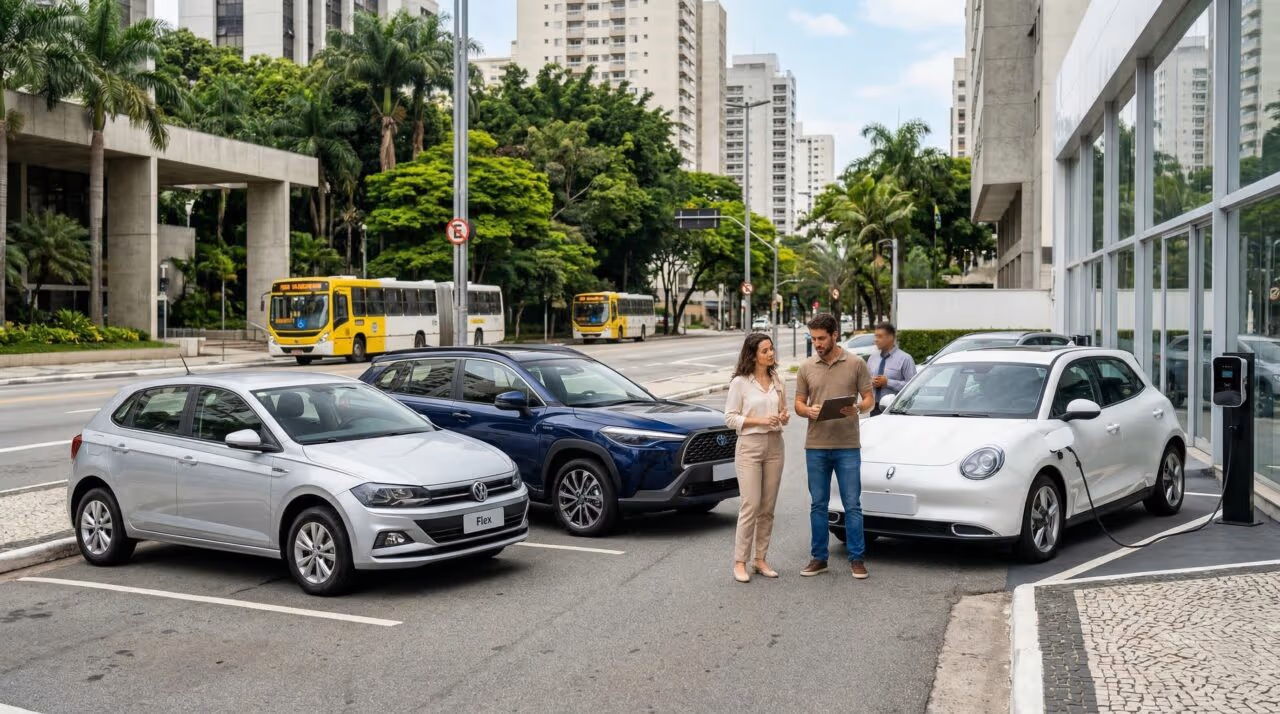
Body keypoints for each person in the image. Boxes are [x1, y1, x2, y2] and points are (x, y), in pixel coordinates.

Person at [794, 313, 874, 580]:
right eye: (813, 338)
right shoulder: (806, 367)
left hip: (848, 445)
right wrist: (808, 411)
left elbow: (869, 399)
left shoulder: (855, 363)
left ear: (834, 335)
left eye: (821, 338)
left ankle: (857, 559)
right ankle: (819, 558)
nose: (816, 343)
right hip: (815, 445)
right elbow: (798, 404)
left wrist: (858, 408)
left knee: (852, 504)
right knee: (818, 504)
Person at [724, 333, 790, 583]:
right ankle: (740, 561)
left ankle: (760, 559)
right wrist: (759, 420)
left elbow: (783, 411)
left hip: (775, 445)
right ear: (752, 355)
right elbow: (730, 418)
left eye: (771, 349)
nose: (771, 354)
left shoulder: (778, 379)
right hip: (750, 446)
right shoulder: (740, 383)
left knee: (767, 508)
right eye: (765, 351)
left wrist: (783, 417)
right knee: (750, 505)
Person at [866, 322, 916, 416]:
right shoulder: (872, 358)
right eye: (875, 336)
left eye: (880, 336)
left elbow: (913, 387)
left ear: (891, 337)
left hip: (896, 410)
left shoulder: (905, 359)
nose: (876, 340)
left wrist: (888, 382)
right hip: (874, 409)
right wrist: (871, 381)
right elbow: (865, 380)